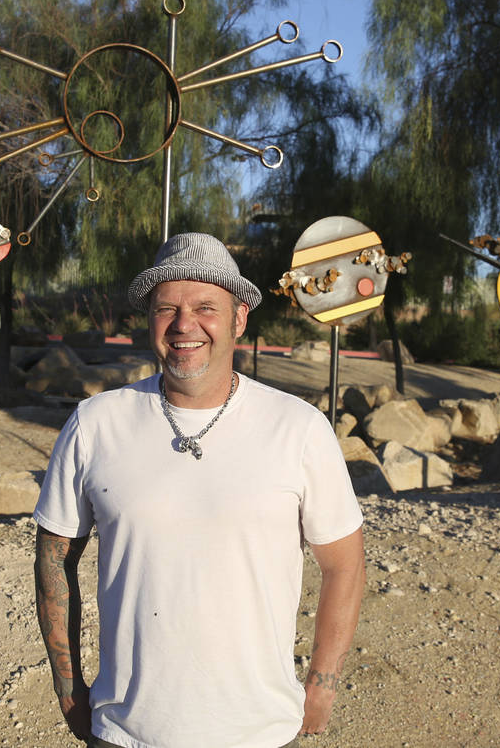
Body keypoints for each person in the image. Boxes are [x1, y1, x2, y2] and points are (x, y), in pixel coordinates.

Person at [34, 232, 366, 748]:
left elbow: (344, 563)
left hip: (259, 733)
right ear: (150, 320)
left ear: (238, 319)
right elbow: (54, 559)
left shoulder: (298, 428)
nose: (185, 325)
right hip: (126, 731)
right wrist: (68, 686)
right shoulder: (96, 423)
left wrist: (321, 686)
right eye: (167, 308)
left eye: (205, 307)